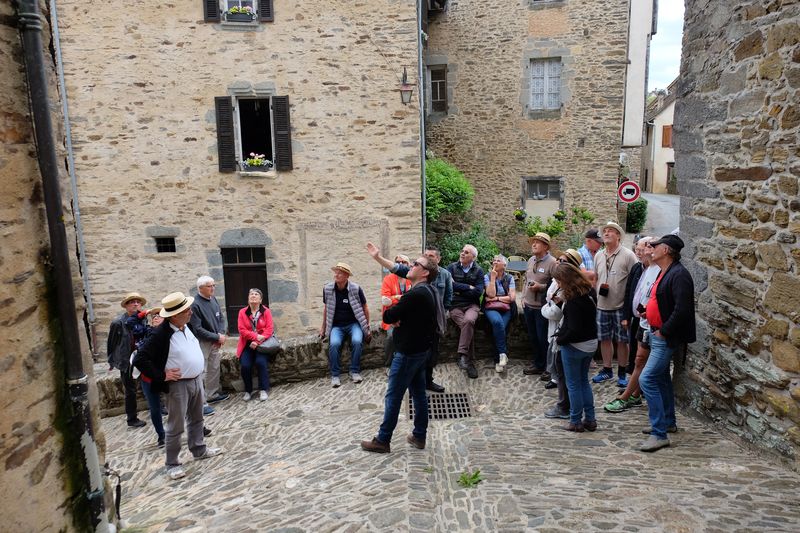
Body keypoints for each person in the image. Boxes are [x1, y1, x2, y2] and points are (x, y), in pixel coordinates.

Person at [134, 292, 223, 480]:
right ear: (174, 315)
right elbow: (140, 359)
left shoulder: (186, 326)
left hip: (195, 379)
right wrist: (162, 376)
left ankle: (199, 449)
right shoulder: (160, 334)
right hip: (177, 385)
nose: (190, 312)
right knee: (176, 425)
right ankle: (172, 463)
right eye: (186, 310)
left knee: (197, 418)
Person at [361, 255, 439, 453]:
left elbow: (388, 315)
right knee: (419, 394)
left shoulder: (415, 294)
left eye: (416, 264)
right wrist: (378, 257)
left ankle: (383, 440)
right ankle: (419, 436)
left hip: (408, 353)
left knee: (393, 396)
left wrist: (392, 306)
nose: (411, 266)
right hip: (421, 351)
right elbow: (402, 271)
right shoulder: (428, 288)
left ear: (425, 272)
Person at [367, 243, 453, 392]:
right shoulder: (416, 273)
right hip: (415, 326)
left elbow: (448, 297)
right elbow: (396, 268)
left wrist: (441, 315)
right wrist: (378, 257)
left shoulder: (445, 274)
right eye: (425, 255)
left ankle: (427, 382)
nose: (427, 258)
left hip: (433, 325)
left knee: (431, 355)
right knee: (415, 357)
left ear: (438, 259)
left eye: (431, 256)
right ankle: (416, 387)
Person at [638, 234, 696, 452]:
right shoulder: (665, 271)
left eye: (656, 245)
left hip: (664, 337)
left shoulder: (679, 274)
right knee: (661, 380)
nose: (652, 248)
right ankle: (668, 422)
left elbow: (683, 309)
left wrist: (664, 330)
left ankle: (659, 433)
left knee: (647, 379)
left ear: (667, 250)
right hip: (656, 333)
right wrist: (649, 313)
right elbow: (664, 301)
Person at [605, 237, 659, 413]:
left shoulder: (660, 269)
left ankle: (629, 396)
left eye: (647, 247)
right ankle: (635, 393)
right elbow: (632, 292)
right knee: (639, 359)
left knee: (641, 360)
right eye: (639, 249)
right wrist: (628, 315)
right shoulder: (642, 268)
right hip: (641, 321)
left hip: (653, 324)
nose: (640, 252)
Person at [553, 263, 599, 432]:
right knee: (583, 382)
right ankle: (590, 419)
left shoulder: (573, 301)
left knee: (573, 385)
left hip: (575, 346)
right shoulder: (589, 292)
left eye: (559, 281)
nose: (558, 284)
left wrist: (560, 339)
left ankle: (575, 421)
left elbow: (573, 329)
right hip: (591, 343)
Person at [592, 222, 637, 386]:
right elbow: (596, 278)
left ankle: (622, 373)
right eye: (604, 231)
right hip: (601, 306)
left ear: (618, 235)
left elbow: (635, 281)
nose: (606, 233)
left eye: (610, 231)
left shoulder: (628, 255)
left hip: (620, 307)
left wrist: (628, 310)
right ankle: (607, 370)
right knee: (604, 339)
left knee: (622, 341)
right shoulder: (599, 255)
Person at [319, 262, 371, 388]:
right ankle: (335, 375)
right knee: (334, 344)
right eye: (336, 272)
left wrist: (367, 326)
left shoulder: (356, 289)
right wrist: (323, 328)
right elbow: (326, 309)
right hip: (336, 326)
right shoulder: (328, 289)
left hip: (354, 324)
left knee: (357, 341)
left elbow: (365, 307)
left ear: (347, 276)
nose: (336, 275)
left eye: (340, 273)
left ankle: (354, 371)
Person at [190, 276, 229, 416]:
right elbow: (197, 329)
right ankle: (201, 403)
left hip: (215, 340)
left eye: (213, 285)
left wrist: (221, 334)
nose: (212, 288)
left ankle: (212, 394)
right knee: (201, 371)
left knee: (214, 368)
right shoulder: (195, 304)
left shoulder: (213, 299)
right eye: (209, 286)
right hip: (203, 342)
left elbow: (221, 318)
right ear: (200, 288)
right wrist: (217, 337)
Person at [107, 292, 148, 428]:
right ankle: (132, 418)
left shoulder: (143, 319)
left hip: (142, 357)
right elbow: (112, 343)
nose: (135, 304)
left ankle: (158, 407)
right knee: (130, 390)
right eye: (132, 302)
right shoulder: (118, 323)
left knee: (152, 382)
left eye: (138, 301)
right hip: (126, 360)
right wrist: (112, 361)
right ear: (126, 305)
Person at [446, 244, 485, 379]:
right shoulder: (451, 267)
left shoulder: (479, 271)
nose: (462, 253)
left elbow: (478, 292)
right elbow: (449, 286)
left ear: (473, 257)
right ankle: (468, 361)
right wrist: (468, 287)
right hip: (455, 305)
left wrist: (459, 290)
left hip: (471, 305)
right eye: (462, 251)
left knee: (468, 321)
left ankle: (462, 355)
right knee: (467, 326)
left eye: (466, 252)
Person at [522, 232, 556, 378]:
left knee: (544, 339)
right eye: (533, 242)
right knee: (533, 337)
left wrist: (540, 287)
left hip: (542, 308)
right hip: (528, 306)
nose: (534, 244)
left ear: (546, 247)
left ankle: (549, 368)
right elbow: (525, 279)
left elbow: (555, 285)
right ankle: (538, 364)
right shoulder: (531, 260)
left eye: (537, 242)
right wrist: (523, 297)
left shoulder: (553, 263)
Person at [132, 307, 167, 447]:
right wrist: (144, 313)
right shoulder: (145, 332)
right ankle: (161, 436)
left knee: (181, 403)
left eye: (159, 315)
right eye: (154, 316)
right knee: (155, 408)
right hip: (149, 377)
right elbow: (130, 322)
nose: (156, 317)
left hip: (169, 375)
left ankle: (195, 428)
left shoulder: (170, 333)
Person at [236, 288, 274, 402]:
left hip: (262, 343)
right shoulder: (242, 312)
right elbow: (242, 330)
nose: (253, 296)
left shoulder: (266, 311)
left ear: (260, 300)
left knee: (260, 362)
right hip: (247, 344)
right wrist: (255, 337)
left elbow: (269, 329)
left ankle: (263, 389)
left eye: (256, 294)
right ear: (248, 299)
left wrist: (257, 341)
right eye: (251, 294)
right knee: (245, 365)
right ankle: (248, 390)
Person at [483, 255, 516, 373]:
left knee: (500, 328)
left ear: (504, 265)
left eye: (498, 260)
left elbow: (512, 298)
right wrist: (493, 278)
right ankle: (502, 354)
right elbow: (490, 294)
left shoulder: (510, 278)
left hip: (506, 309)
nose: (495, 262)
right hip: (491, 308)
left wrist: (496, 299)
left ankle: (498, 361)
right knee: (497, 323)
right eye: (494, 260)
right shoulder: (487, 276)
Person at [380, 254, 412, 365]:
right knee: (391, 337)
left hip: (408, 316)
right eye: (398, 262)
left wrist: (395, 298)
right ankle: (389, 364)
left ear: (409, 265)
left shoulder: (411, 279)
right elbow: (385, 300)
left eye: (404, 262)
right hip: (391, 316)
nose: (400, 264)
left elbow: (414, 299)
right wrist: (399, 298)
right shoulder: (388, 279)